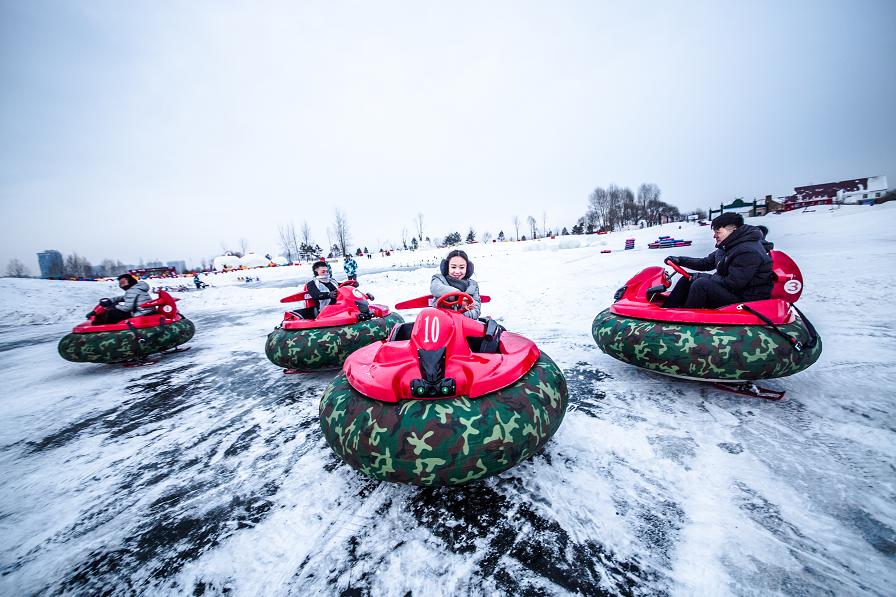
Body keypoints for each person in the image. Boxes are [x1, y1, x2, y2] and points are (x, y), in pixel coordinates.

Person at [663, 212, 773, 309]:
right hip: (733, 291)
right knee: (687, 279)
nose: (714, 236)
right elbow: (705, 263)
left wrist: (700, 277)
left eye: (717, 232)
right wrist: (680, 260)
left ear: (733, 229)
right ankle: (666, 311)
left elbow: (734, 283)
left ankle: (686, 319)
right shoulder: (728, 245)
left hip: (746, 298)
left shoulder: (748, 251)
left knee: (701, 284)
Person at [430, 249, 481, 319]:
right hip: (443, 321)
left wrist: (462, 312)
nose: (457, 271)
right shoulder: (439, 279)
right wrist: (458, 295)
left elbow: (476, 310)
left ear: (467, 268)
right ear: (447, 267)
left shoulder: (473, 285)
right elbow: (435, 288)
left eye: (462, 267)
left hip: (465, 324)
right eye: (453, 267)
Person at [90, 274, 155, 324]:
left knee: (112, 313)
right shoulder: (137, 288)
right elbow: (124, 297)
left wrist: (115, 306)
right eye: (120, 283)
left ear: (130, 282)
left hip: (141, 313)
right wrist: (111, 300)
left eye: (123, 283)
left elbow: (127, 308)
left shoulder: (132, 291)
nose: (121, 285)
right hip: (146, 311)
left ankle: (102, 327)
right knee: (116, 311)